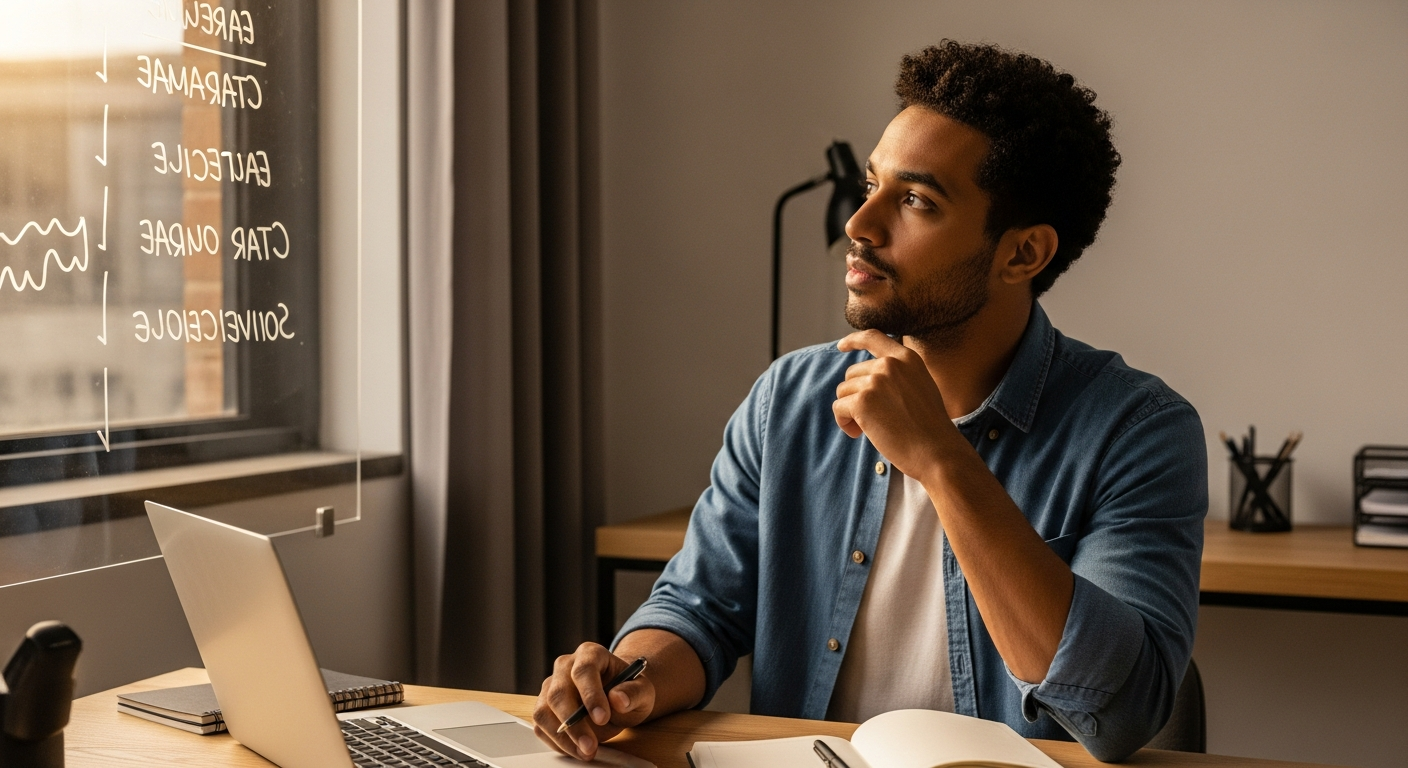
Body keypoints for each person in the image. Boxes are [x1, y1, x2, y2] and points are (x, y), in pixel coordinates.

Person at [533, 40, 1206, 763]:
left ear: (1023, 254)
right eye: (872, 185)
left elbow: (1123, 711)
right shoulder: (789, 398)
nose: (859, 224)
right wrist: (630, 677)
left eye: (915, 200)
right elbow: (699, 608)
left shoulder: (1139, 430)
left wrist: (943, 461)